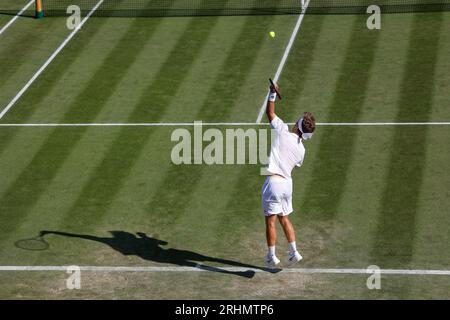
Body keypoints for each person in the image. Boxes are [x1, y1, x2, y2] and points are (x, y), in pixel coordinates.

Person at [262, 83, 316, 267]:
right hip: (287, 185)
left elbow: (270, 114)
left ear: (297, 125)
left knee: (270, 221)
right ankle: (294, 252)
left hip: (274, 182)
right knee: (284, 218)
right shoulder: (302, 151)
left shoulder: (283, 131)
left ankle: (272, 256)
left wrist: (272, 94)